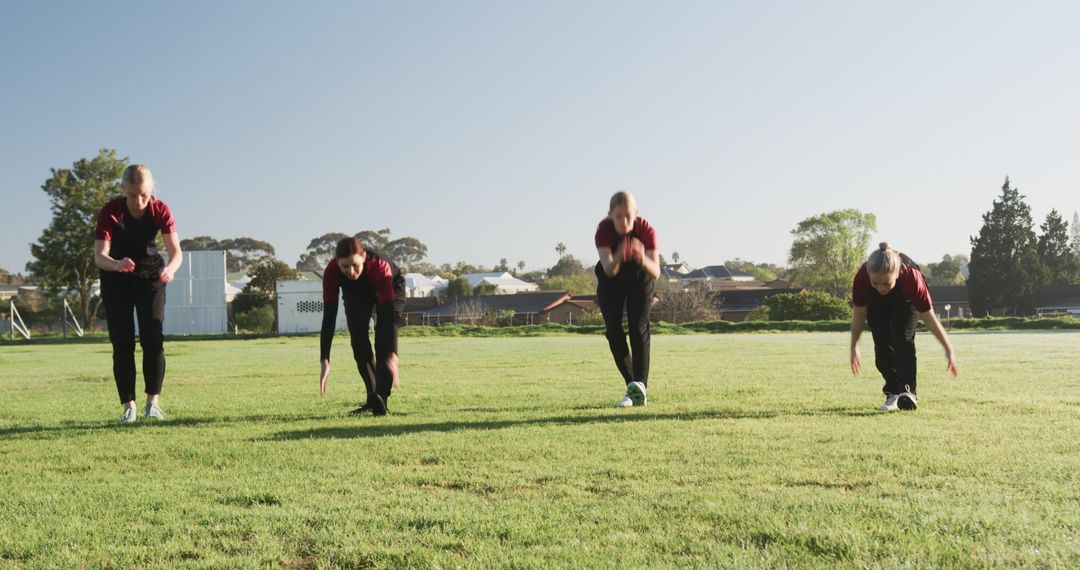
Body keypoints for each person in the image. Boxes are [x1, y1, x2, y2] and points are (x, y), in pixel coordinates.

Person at [93, 164, 182, 423]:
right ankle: (128, 406)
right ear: (124, 190)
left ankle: (152, 403)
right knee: (122, 343)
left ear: (151, 190)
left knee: (152, 339)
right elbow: (100, 255)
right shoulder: (111, 212)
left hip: (150, 278)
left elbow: (176, 253)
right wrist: (117, 264)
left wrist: (171, 270)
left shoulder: (160, 209)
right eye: (133, 195)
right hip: (116, 278)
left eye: (144, 194)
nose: (139, 200)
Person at [850, 242, 959, 411]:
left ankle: (907, 392)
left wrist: (948, 349)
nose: (881, 288)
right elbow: (858, 315)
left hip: (905, 302)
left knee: (902, 339)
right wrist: (854, 347)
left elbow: (929, 319)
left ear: (897, 272)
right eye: (875, 283)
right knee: (881, 346)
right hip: (876, 304)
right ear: (869, 275)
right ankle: (892, 393)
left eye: (886, 283)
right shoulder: (862, 278)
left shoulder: (911, 277)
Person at [318, 237, 406, 416]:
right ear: (337, 263)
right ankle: (373, 398)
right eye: (345, 267)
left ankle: (381, 398)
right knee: (358, 341)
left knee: (383, 339)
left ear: (364, 257)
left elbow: (388, 319)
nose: (351, 271)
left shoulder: (380, 266)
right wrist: (325, 359)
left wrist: (392, 353)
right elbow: (329, 317)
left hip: (391, 285)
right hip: (356, 293)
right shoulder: (332, 272)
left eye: (355, 265)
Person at [594, 191, 660, 407]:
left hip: (640, 276)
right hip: (611, 277)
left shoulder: (646, 230)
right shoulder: (604, 230)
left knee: (637, 326)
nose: (624, 221)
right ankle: (632, 384)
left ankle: (640, 385)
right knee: (613, 330)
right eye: (618, 216)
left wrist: (640, 257)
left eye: (628, 216)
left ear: (636, 214)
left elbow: (656, 271)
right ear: (610, 215)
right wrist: (621, 254)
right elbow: (608, 269)